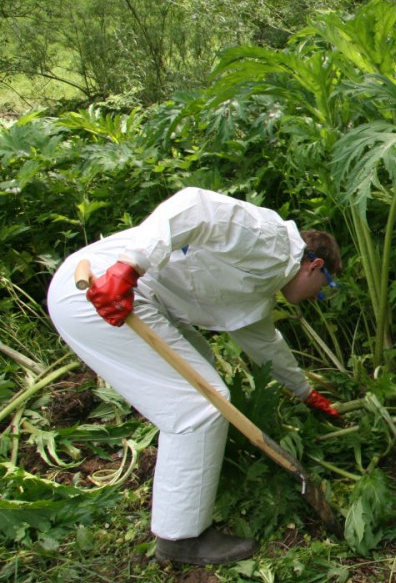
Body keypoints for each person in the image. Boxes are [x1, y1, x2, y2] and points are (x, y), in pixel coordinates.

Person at [47, 187, 343, 566]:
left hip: (136, 300)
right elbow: (193, 205)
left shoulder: (265, 284)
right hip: (101, 291)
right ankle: (181, 539)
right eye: (324, 290)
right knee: (201, 406)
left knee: (202, 362)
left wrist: (304, 392)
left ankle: (193, 477)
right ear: (314, 267)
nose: (317, 298)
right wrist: (128, 267)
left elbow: (266, 343)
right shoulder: (270, 241)